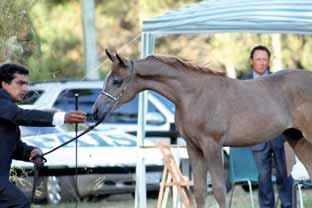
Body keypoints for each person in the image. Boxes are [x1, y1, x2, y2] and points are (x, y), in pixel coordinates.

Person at [0, 63, 86, 208]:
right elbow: (22, 115)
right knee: (18, 203)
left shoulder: (6, 107)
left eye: (26, 84)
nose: (25, 89)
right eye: (20, 83)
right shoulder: (4, 105)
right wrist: (62, 117)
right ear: (4, 84)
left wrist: (29, 152)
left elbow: (9, 144)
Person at [240, 45, 294, 208]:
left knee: (285, 175)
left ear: (268, 62)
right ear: (252, 61)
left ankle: (288, 205)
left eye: (264, 59)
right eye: (258, 59)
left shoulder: (279, 81)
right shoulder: (243, 83)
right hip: (257, 139)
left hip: (280, 137)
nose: (262, 62)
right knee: (263, 178)